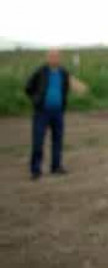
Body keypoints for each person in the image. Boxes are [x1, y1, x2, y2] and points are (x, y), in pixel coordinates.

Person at [25, 49, 70, 180]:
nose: (54, 59)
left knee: (57, 140)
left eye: (56, 56)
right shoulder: (40, 71)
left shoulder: (63, 72)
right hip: (42, 112)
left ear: (60, 58)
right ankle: (35, 170)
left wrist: (62, 103)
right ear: (47, 58)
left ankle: (56, 166)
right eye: (51, 56)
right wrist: (35, 100)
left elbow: (65, 88)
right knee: (38, 141)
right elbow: (28, 87)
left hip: (58, 112)